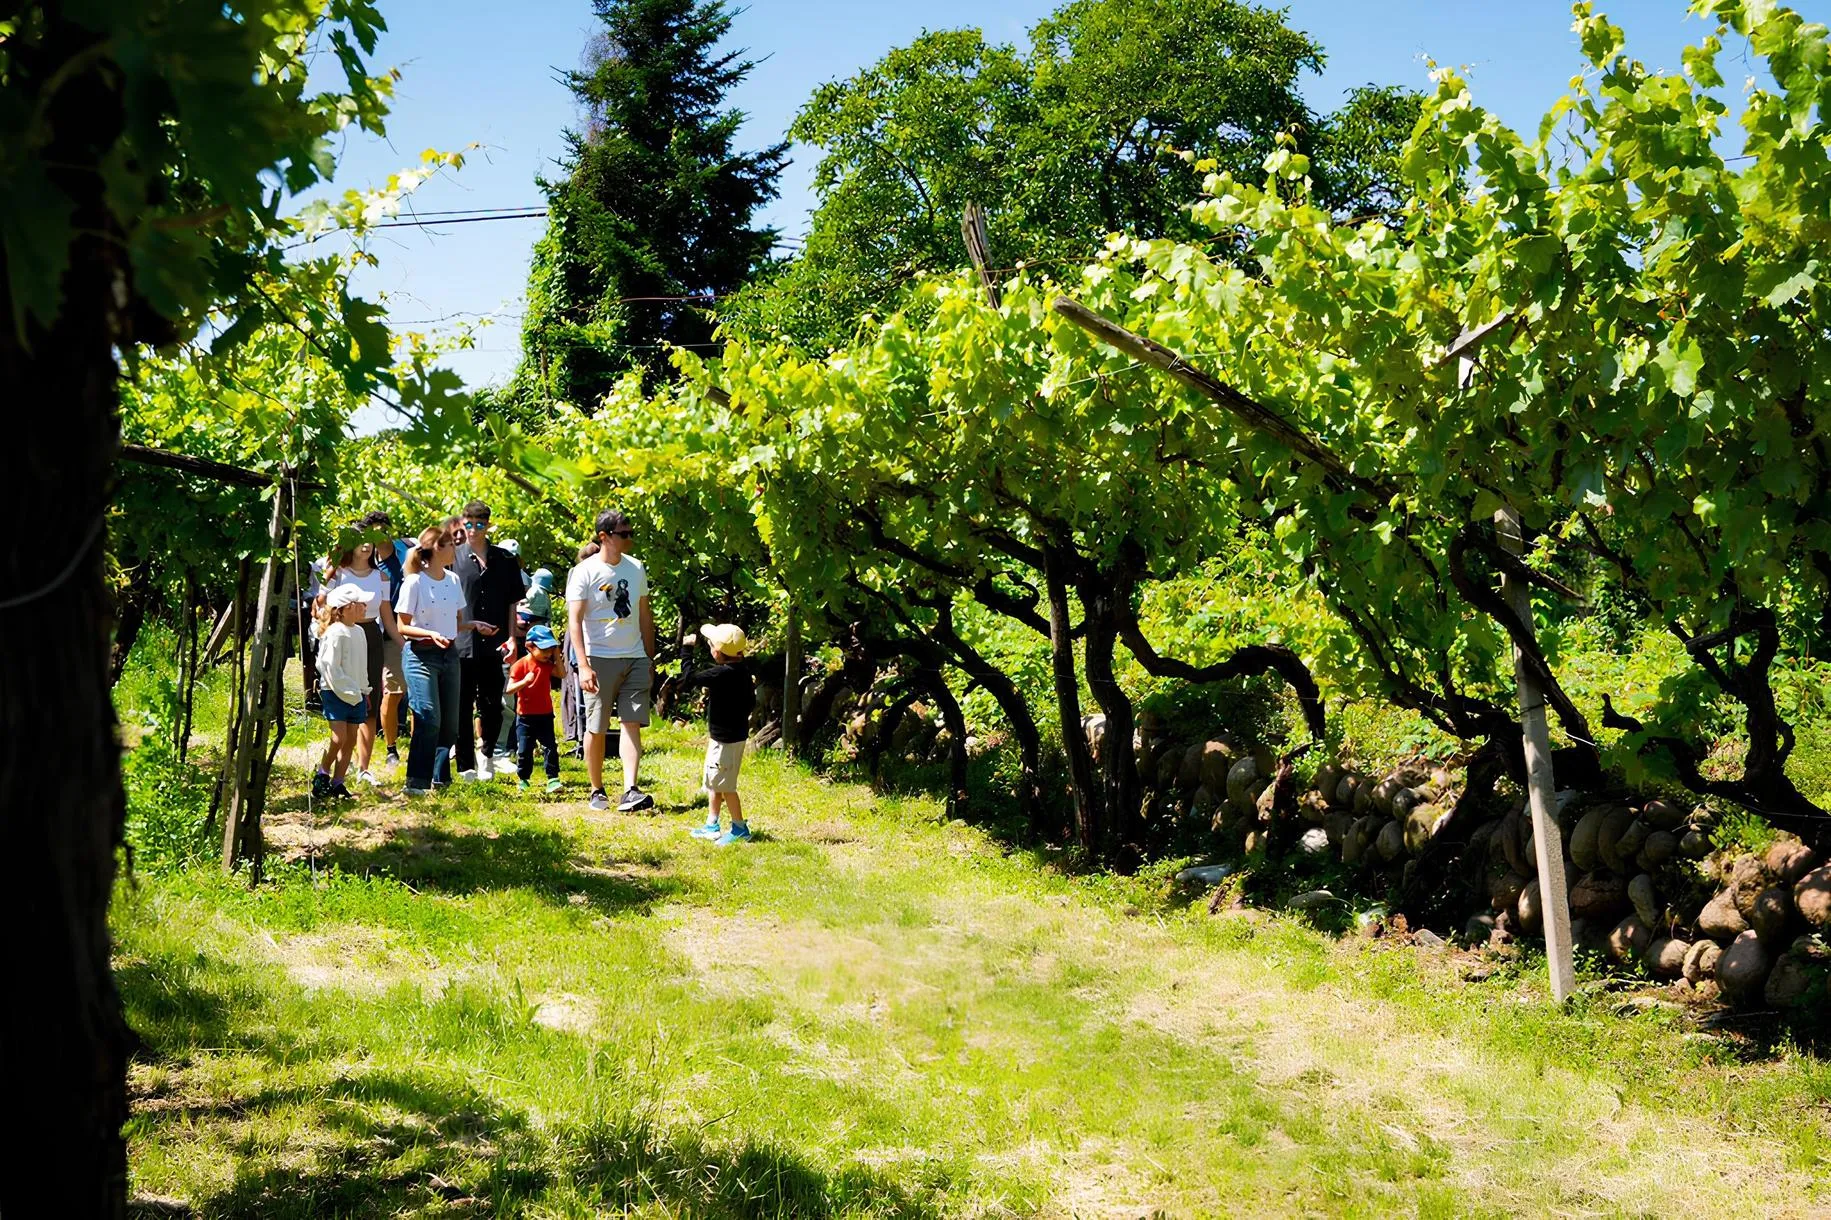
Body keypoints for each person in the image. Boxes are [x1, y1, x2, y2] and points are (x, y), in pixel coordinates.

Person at [566, 511, 656, 813]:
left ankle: (630, 789)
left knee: (632, 723)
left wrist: (649, 656)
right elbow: (574, 622)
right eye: (624, 534)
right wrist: (583, 664)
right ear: (604, 537)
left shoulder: (636, 568)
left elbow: (644, 615)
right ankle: (597, 789)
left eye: (631, 533)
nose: (630, 538)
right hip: (598, 658)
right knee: (597, 726)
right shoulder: (584, 572)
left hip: (634, 657)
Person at [396, 523, 484, 796]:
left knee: (450, 722)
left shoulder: (453, 580)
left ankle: (440, 778)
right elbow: (402, 625)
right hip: (421, 655)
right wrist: (430, 633)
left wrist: (473, 625)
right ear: (437, 548)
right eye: (450, 545)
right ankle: (416, 781)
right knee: (428, 716)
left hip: (449, 654)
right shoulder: (414, 581)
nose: (456, 548)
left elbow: (454, 622)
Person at [323, 528, 401, 786]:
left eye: (370, 541)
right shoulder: (338, 574)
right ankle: (333, 765)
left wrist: (404, 645)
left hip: (370, 634)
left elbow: (387, 617)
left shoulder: (381, 577)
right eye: (360, 542)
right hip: (343, 633)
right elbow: (323, 606)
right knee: (345, 694)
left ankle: (363, 767)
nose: (366, 546)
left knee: (369, 698)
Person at [451, 500, 521, 780]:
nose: (473, 531)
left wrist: (513, 638)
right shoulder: (453, 558)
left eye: (480, 525)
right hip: (462, 643)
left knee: (493, 703)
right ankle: (466, 763)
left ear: (488, 525)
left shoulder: (505, 559)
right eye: (468, 524)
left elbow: (513, 603)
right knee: (462, 704)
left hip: (496, 643)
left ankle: (488, 753)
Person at [676, 623, 756, 845]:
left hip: (725, 741)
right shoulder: (743, 671)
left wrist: (687, 651)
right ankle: (712, 823)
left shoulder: (721, 673)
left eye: (710, 644)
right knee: (714, 781)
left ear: (717, 652)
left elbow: (689, 679)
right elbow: (751, 703)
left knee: (726, 786)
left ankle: (740, 828)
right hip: (731, 737)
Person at [311, 584, 375, 801]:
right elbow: (329, 667)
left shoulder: (359, 632)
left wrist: (363, 690)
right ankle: (323, 771)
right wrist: (346, 690)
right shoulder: (335, 633)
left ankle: (338, 782)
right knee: (339, 738)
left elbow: (361, 666)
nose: (365, 607)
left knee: (350, 740)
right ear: (345, 608)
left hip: (356, 693)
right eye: (360, 604)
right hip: (336, 692)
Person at [361, 509, 411, 768]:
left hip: (414, 630)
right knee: (391, 692)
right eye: (372, 532)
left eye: (381, 530)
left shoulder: (407, 551)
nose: (377, 537)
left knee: (416, 692)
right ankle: (391, 747)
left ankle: (419, 744)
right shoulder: (369, 563)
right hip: (385, 634)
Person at [505, 624, 564, 794]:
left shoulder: (547, 664)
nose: (548, 653)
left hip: (545, 714)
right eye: (544, 649)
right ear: (530, 647)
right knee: (524, 749)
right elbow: (509, 689)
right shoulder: (520, 665)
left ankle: (553, 778)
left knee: (550, 747)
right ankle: (523, 779)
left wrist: (557, 656)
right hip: (525, 717)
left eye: (551, 649)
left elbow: (562, 674)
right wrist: (524, 682)